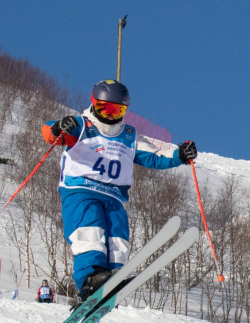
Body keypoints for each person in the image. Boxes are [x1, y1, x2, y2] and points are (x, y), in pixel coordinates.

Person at [42, 79, 198, 301]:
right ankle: (90, 278)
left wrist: (179, 155)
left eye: (117, 110)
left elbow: (154, 157)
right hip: (81, 190)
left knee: (118, 234)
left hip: (114, 197)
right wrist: (58, 127)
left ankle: (114, 274)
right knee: (89, 229)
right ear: (94, 104)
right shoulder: (81, 126)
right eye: (105, 108)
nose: (110, 115)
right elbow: (50, 133)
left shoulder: (129, 135)